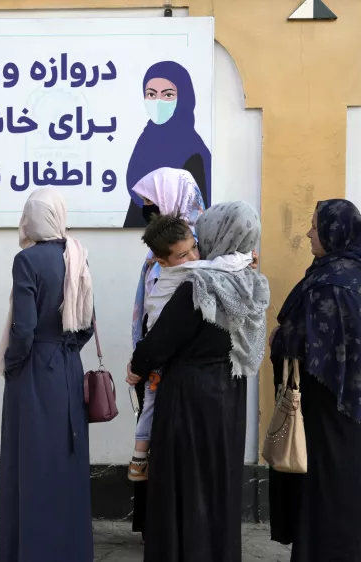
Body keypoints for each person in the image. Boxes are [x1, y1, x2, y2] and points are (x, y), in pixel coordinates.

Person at [128, 202, 270, 562]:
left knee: (186, 484)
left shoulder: (199, 285)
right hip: (230, 392)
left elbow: (159, 342)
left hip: (190, 396)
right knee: (219, 482)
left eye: (200, 238)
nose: (197, 249)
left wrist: (138, 365)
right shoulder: (249, 279)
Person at [268, 199, 361, 562]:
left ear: (334, 231)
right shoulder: (349, 273)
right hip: (343, 401)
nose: (309, 232)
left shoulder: (334, 282)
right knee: (339, 486)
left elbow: (312, 342)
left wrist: (280, 337)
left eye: (315, 225)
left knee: (327, 485)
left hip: (328, 401)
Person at [0, 188, 95, 562]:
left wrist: (14, 363)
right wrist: (64, 351)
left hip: (35, 369)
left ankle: (31, 551)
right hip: (68, 365)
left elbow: (24, 328)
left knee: (31, 459)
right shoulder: (77, 256)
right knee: (65, 459)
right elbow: (86, 324)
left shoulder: (27, 260)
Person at [125, 213, 253, 482]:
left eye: (194, 247)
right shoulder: (190, 277)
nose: (194, 257)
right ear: (164, 262)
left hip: (168, 363)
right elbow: (221, 265)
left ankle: (139, 458)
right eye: (183, 255)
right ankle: (139, 457)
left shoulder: (191, 271)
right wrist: (245, 258)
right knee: (149, 402)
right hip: (164, 356)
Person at [127, 167, 206, 536]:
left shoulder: (193, 252)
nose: (148, 210)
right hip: (153, 364)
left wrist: (146, 358)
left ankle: (165, 531)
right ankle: (153, 526)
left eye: (152, 203)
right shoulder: (161, 252)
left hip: (174, 370)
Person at [124, 62, 212, 228]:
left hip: (177, 242)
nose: (157, 101)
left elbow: (196, 216)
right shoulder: (146, 140)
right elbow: (137, 204)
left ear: (184, 98)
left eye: (168, 95)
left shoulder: (193, 151)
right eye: (151, 94)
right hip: (151, 240)